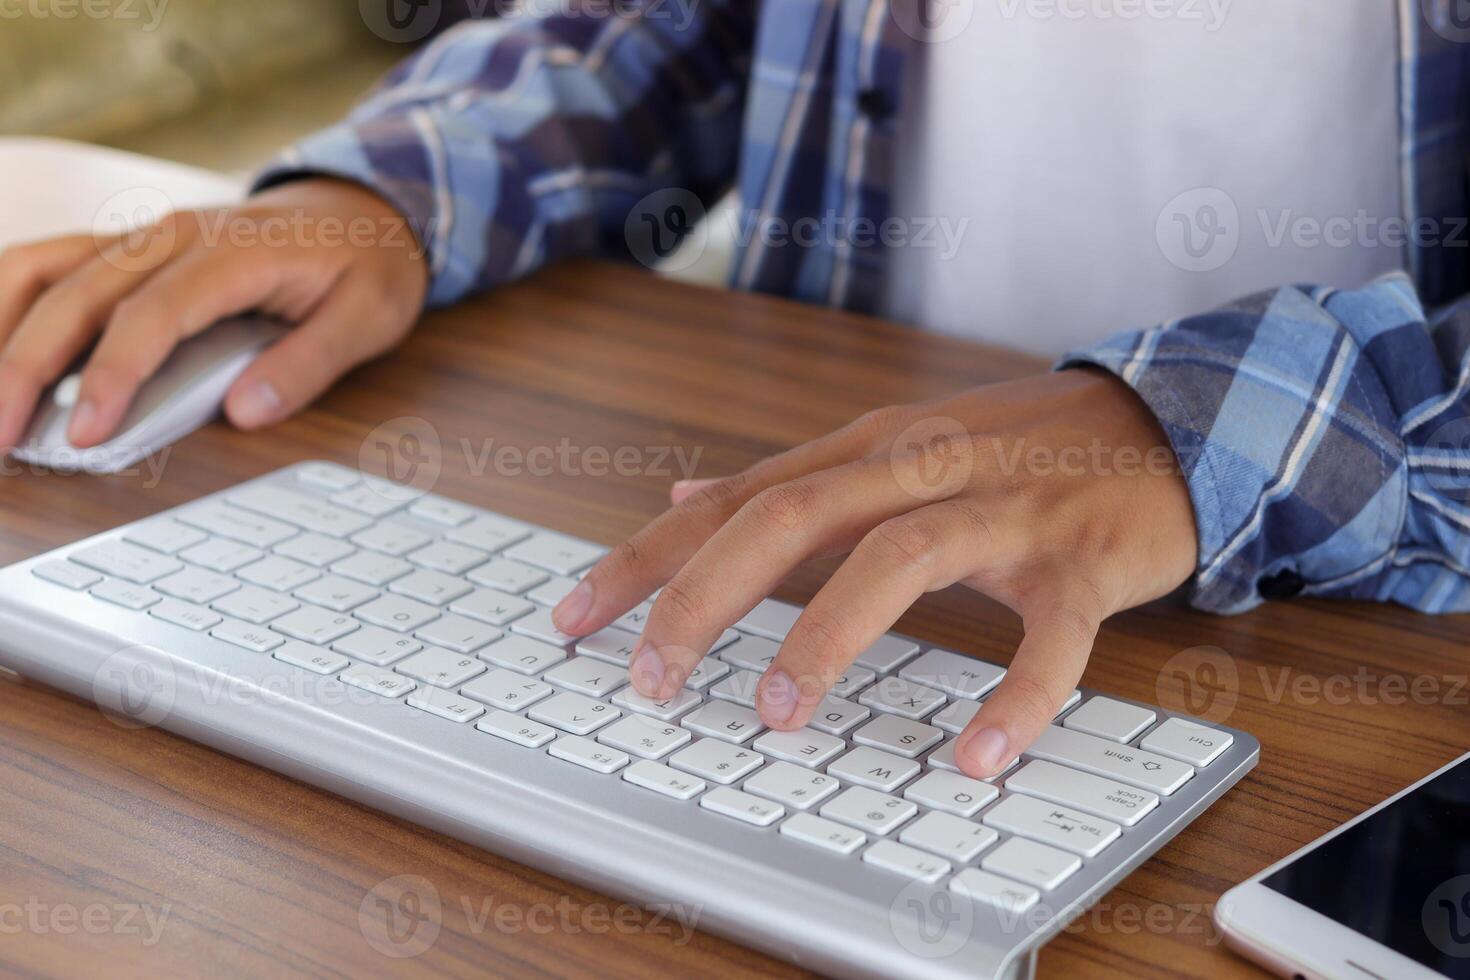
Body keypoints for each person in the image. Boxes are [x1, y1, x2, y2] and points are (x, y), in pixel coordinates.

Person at [0, 1, 1466, 781]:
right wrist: (393, 189)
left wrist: (1202, 430)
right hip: (840, 518)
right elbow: (682, 29)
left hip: (1360, 646)